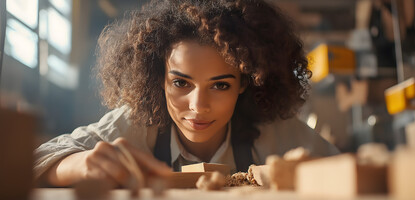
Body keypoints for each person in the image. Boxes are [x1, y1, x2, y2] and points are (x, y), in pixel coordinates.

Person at [34, 0, 339, 187]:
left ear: (244, 84)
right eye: (181, 83)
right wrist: (78, 165)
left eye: (220, 85)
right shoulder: (135, 125)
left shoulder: (276, 132)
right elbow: (35, 160)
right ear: (159, 80)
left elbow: (350, 170)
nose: (198, 106)